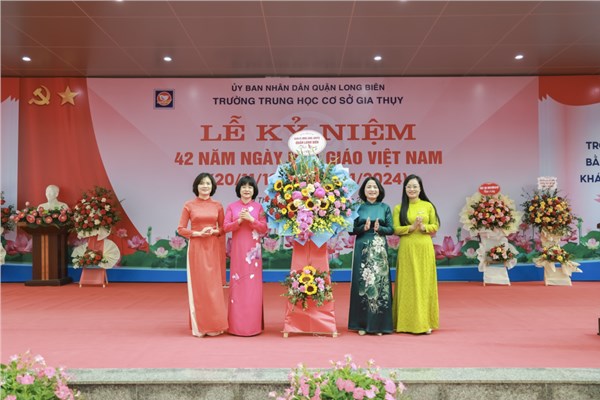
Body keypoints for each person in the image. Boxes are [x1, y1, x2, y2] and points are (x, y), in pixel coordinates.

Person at [177, 172, 228, 337]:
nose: (205, 186)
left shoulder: (218, 205)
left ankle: (215, 324)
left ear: (213, 186)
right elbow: (181, 229)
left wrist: (214, 231)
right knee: (199, 286)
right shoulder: (189, 205)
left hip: (212, 247)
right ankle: (199, 326)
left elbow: (223, 228)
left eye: (208, 183)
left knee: (213, 287)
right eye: (202, 183)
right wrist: (197, 233)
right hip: (196, 247)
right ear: (196, 186)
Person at [392, 174, 440, 335]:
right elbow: (395, 229)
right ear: (404, 189)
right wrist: (411, 228)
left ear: (420, 189)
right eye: (409, 186)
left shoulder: (428, 205)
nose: (412, 189)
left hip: (424, 248)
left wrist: (424, 227)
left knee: (424, 283)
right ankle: (405, 323)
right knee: (407, 284)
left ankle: (425, 322)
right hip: (407, 248)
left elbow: (436, 225)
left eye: (415, 186)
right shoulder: (399, 208)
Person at [348, 177, 394, 336]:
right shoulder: (357, 208)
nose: (372, 190)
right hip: (362, 248)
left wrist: (379, 228)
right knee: (363, 284)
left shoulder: (385, 207)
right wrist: (363, 227)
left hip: (379, 249)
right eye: (369, 187)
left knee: (380, 285)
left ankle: (379, 326)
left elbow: (391, 229)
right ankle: (361, 324)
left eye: (375, 187)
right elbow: (351, 230)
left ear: (379, 190)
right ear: (364, 190)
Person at [223, 176, 268, 336]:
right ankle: (236, 326)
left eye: (250, 187)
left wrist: (251, 219)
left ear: (254, 190)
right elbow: (225, 227)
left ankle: (252, 326)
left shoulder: (259, 207)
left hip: (254, 253)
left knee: (252, 287)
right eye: (243, 187)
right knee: (238, 285)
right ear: (239, 189)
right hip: (237, 251)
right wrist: (239, 221)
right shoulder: (232, 207)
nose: (247, 189)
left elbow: (264, 229)